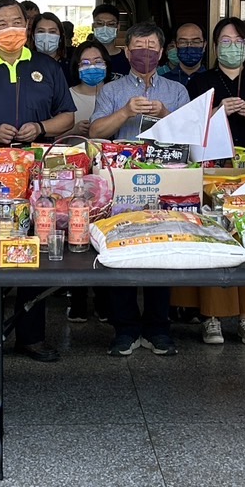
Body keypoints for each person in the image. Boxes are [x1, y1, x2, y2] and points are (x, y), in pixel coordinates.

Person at [0, 0, 77, 364]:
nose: (11, 28)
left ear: (27, 25)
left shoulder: (46, 67)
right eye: (2, 23)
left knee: (33, 247)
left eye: (17, 21)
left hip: (37, 173)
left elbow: (67, 117)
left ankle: (32, 335)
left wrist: (39, 127)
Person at [91, 22, 191, 357]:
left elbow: (190, 138)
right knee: (121, 250)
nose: (145, 52)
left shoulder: (175, 90)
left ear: (162, 52)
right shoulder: (111, 90)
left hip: (167, 181)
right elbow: (96, 131)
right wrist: (125, 112)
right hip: (122, 182)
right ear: (127, 51)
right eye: (138, 46)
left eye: (151, 46)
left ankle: (158, 327)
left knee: (163, 250)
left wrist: (165, 113)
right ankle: (125, 328)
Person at [183, 18, 245, 346]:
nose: (232, 47)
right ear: (215, 47)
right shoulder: (200, 83)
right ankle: (211, 317)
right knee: (213, 239)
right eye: (225, 41)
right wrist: (217, 114)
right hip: (212, 172)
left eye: (238, 41)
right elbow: (190, 134)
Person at [68, 37, 112, 137]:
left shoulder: (115, 94)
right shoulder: (67, 96)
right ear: (77, 67)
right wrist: (73, 130)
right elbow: (49, 139)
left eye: (98, 62)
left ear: (106, 64)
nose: (92, 66)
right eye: (85, 63)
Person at [162, 22, 208, 87]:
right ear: (176, 45)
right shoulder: (163, 82)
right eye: (183, 42)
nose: (189, 46)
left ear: (204, 45)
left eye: (195, 42)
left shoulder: (215, 81)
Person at [92, 2, 131, 76]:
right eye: (100, 23)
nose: (105, 28)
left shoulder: (128, 60)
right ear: (93, 26)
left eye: (111, 24)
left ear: (118, 27)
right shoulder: (84, 58)